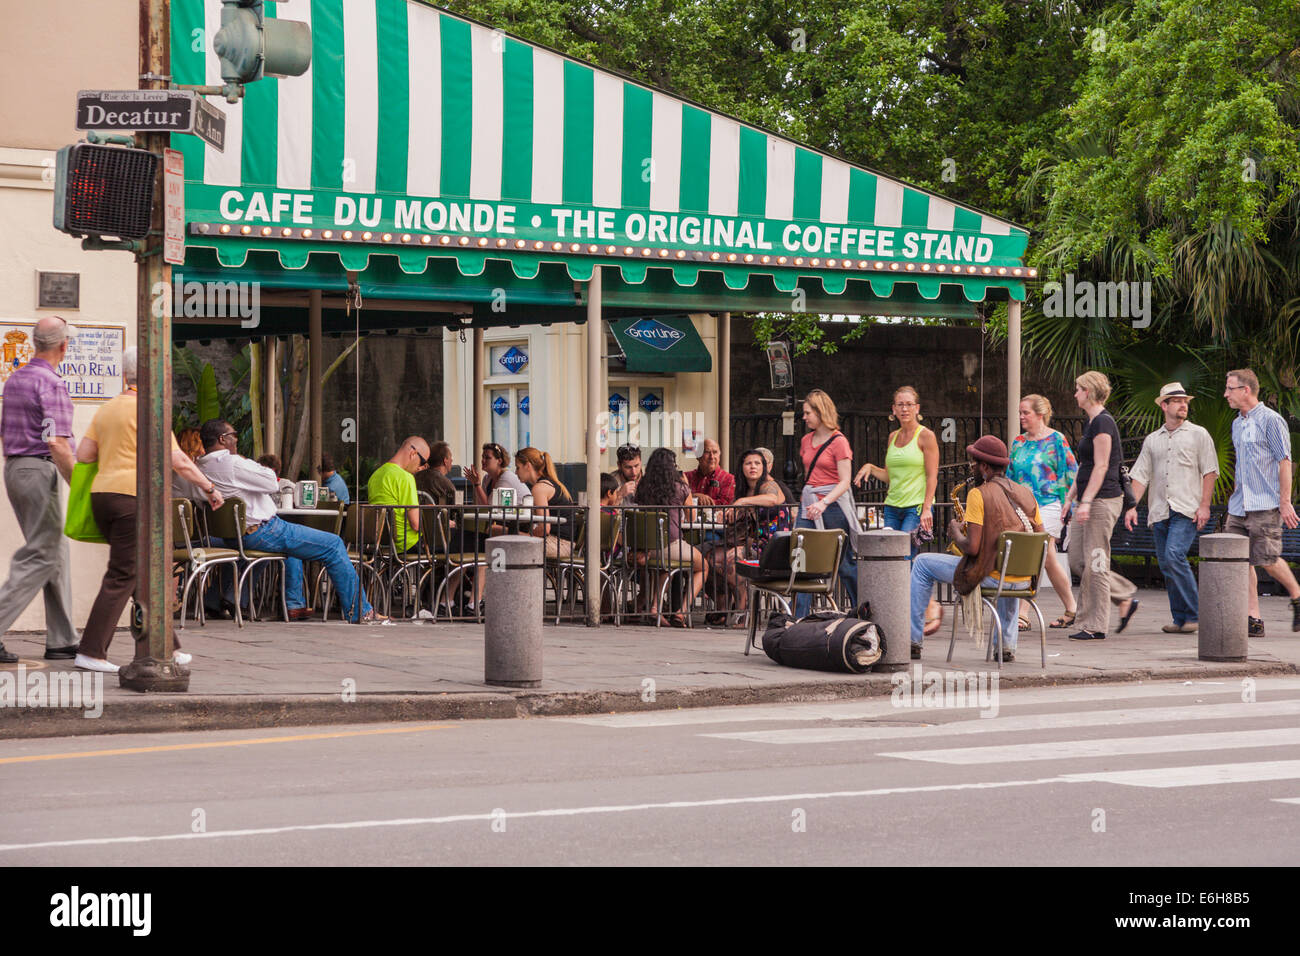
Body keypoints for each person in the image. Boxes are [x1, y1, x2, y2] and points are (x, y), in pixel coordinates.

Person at [74, 349, 226, 672]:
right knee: (123, 574)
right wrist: (210, 489)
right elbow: (179, 460)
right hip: (131, 499)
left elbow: (84, 455)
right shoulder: (151, 410)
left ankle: (167, 646)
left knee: (144, 574)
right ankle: (90, 651)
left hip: (103, 497)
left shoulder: (107, 409)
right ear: (152, 375)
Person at [198, 419, 380, 623]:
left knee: (292, 549)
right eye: (235, 435)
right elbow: (270, 482)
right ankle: (360, 612)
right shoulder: (233, 463)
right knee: (334, 544)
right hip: (262, 531)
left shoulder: (199, 467)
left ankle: (227, 599)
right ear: (223, 439)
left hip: (231, 537)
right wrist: (244, 460)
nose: (237, 439)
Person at [910, 436, 1043, 662]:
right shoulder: (1027, 494)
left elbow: (971, 547)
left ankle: (912, 640)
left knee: (922, 564)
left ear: (983, 467)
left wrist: (954, 532)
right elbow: (1041, 536)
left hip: (991, 576)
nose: (972, 467)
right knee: (1006, 564)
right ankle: (1006, 645)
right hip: (1024, 579)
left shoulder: (978, 494)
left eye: (973, 463)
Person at [0, 316, 80, 663]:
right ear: (63, 346)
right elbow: (58, 443)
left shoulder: (16, 379)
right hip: (38, 468)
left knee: (54, 549)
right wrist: (79, 486)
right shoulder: (51, 383)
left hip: (16, 468)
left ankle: (62, 639)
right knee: (41, 554)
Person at [1123, 383, 1218, 633]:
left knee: (1175, 555)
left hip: (1186, 508)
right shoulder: (1153, 439)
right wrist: (1132, 507)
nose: (1183, 404)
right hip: (1159, 510)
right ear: (1164, 405)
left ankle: (1196, 615)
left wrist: (1204, 506)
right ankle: (1181, 619)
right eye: (1177, 401)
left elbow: (1210, 472)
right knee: (1166, 564)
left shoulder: (1199, 434)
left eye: (1185, 400)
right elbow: (1141, 476)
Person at [1223, 368, 1300, 636]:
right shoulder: (1237, 423)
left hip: (1265, 503)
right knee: (1239, 560)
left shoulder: (1271, 420)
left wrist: (1285, 502)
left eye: (1229, 389)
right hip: (1238, 505)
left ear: (1245, 390)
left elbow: (1284, 461)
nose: (1225, 394)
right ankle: (1253, 618)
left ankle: (1297, 594)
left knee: (1266, 557)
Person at [1064, 370, 1138, 640]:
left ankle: (1094, 625)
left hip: (1102, 499)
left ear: (1089, 392)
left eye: (1078, 389)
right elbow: (1084, 465)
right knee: (1078, 560)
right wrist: (1071, 498)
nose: (1075, 394)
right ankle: (1113, 601)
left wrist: (1085, 501)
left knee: (1095, 562)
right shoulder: (1092, 423)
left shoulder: (1104, 423)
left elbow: (1103, 465)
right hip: (1087, 499)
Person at [1008, 394, 1079, 630]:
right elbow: (1010, 476)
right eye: (1020, 413)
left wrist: (1069, 506)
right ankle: (1072, 608)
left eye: (1025, 412)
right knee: (1048, 558)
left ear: (1040, 414)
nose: (1021, 417)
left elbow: (1070, 473)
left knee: (1035, 553)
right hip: (1022, 506)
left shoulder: (1057, 440)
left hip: (1049, 505)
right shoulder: (1018, 442)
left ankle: (1023, 612)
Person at [795, 389, 862, 616]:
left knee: (842, 563)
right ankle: (799, 617)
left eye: (807, 413)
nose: (804, 418)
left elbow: (845, 482)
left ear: (820, 412)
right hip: (809, 501)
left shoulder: (839, 441)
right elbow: (809, 478)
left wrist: (823, 503)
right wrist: (811, 501)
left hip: (832, 505)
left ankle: (861, 609)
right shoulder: (805, 440)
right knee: (801, 558)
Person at [628, 447, 708, 626]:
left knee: (665, 568)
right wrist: (685, 485)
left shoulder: (642, 487)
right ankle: (682, 611)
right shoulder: (680, 488)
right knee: (703, 567)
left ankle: (655, 609)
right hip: (670, 545)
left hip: (647, 547)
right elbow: (691, 517)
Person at [708, 449, 789, 622]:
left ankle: (743, 610)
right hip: (752, 542)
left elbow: (773, 499)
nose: (753, 466)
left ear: (764, 467)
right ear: (742, 467)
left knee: (731, 559)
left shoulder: (768, 484)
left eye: (757, 463)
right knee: (712, 559)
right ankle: (727, 603)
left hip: (772, 546)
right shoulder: (744, 490)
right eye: (748, 463)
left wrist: (741, 502)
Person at [854, 385, 939, 549]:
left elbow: (932, 476)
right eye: (900, 405)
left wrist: (927, 509)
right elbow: (888, 476)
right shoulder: (893, 437)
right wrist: (870, 467)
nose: (904, 409)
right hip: (892, 507)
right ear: (893, 409)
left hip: (915, 507)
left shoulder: (926, 436)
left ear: (917, 408)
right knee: (889, 555)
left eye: (909, 404)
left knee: (904, 555)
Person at [514, 447, 581, 560]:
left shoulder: (539, 488)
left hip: (559, 545)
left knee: (509, 542)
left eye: (517, 467)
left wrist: (519, 534)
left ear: (528, 466)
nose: (516, 472)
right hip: (564, 543)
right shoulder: (550, 484)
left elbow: (544, 529)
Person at [368, 436, 430, 553]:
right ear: (413, 453)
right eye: (422, 462)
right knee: (456, 542)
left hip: (383, 543)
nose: (420, 468)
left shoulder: (375, 475)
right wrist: (437, 521)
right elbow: (416, 524)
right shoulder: (405, 478)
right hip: (408, 545)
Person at [686, 438, 736, 506]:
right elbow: (676, 499)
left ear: (719, 455)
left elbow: (724, 504)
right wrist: (694, 496)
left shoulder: (729, 479)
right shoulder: (686, 477)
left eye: (715, 452)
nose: (712, 456)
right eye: (707, 452)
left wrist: (692, 500)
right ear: (697, 456)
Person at [417, 441, 458, 506]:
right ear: (445, 461)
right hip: (434, 516)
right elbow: (456, 508)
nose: (452, 460)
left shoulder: (416, 477)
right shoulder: (444, 483)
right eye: (450, 457)